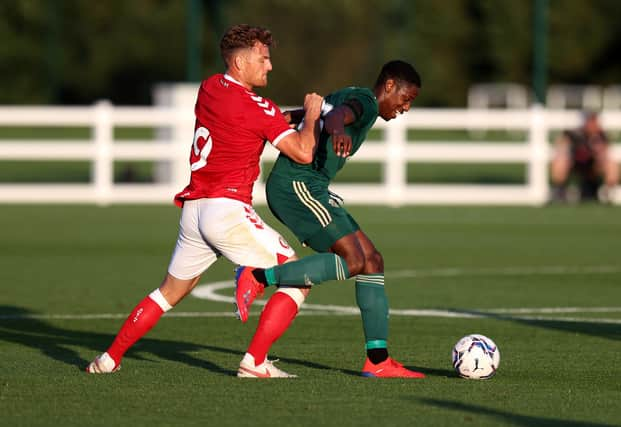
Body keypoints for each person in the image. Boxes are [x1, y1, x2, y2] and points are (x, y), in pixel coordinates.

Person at [86, 24, 324, 378]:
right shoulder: (259, 108)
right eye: (264, 58)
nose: (270, 66)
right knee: (297, 276)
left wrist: (290, 116)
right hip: (226, 211)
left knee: (168, 293)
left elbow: (257, 120)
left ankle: (107, 359)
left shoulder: (211, 88)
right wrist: (314, 115)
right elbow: (303, 152)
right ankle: (255, 360)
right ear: (241, 62)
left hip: (194, 212)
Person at [235, 60, 426, 378]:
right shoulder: (364, 102)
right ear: (389, 86)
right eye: (406, 99)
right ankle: (257, 277)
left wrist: (287, 119)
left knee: (372, 261)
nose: (406, 107)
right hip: (297, 186)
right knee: (352, 260)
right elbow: (338, 116)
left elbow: (320, 111)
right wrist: (337, 129)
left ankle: (377, 361)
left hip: (312, 187)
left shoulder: (352, 94)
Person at [550, 111, 619, 203]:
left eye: (595, 121)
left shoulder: (601, 136)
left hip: (593, 167)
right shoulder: (574, 134)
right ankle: (559, 191)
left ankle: (609, 192)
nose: (593, 124)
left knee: (611, 164)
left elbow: (604, 153)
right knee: (560, 160)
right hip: (575, 164)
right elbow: (561, 145)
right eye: (591, 121)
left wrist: (598, 151)